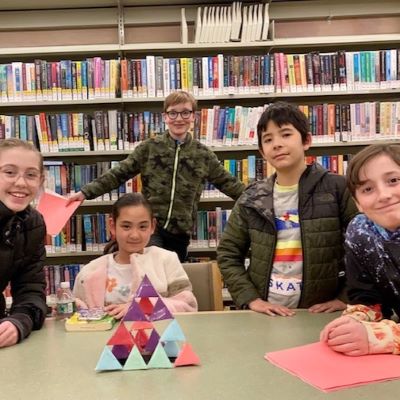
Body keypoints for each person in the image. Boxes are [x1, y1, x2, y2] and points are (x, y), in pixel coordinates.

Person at [67, 91, 245, 262]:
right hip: (151, 227)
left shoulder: (203, 155)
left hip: (180, 233)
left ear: (193, 117)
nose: (179, 118)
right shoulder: (150, 148)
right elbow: (118, 173)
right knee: (151, 273)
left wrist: (262, 199)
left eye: (185, 113)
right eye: (173, 113)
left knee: (169, 280)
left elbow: (229, 183)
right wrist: (85, 193)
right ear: (165, 117)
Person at [217, 101, 358, 317]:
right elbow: (228, 253)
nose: (277, 144)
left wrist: (345, 297)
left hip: (319, 315)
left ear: (306, 141)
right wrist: (251, 299)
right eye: (268, 139)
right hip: (267, 314)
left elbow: (363, 248)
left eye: (285, 134)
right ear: (262, 152)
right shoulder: (251, 198)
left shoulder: (337, 189)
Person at [320, 143, 400, 355]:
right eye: (367, 189)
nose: (384, 195)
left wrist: (379, 338)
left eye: (393, 180)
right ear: (358, 203)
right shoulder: (360, 232)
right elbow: (366, 296)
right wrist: (354, 321)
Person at [73, 192, 198, 319]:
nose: (134, 235)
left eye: (143, 227)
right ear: (112, 226)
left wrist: (142, 307)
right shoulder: (89, 272)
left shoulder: (166, 260)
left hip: (158, 336)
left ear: (152, 226)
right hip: (104, 337)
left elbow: (188, 306)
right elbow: (78, 313)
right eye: (126, 226)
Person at [0, 138, 47, 347]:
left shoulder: (33, 224)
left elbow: (31, 288)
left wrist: (19, 322)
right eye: (9, 172)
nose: (21, 183)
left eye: (30, 175)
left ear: (41, 181)